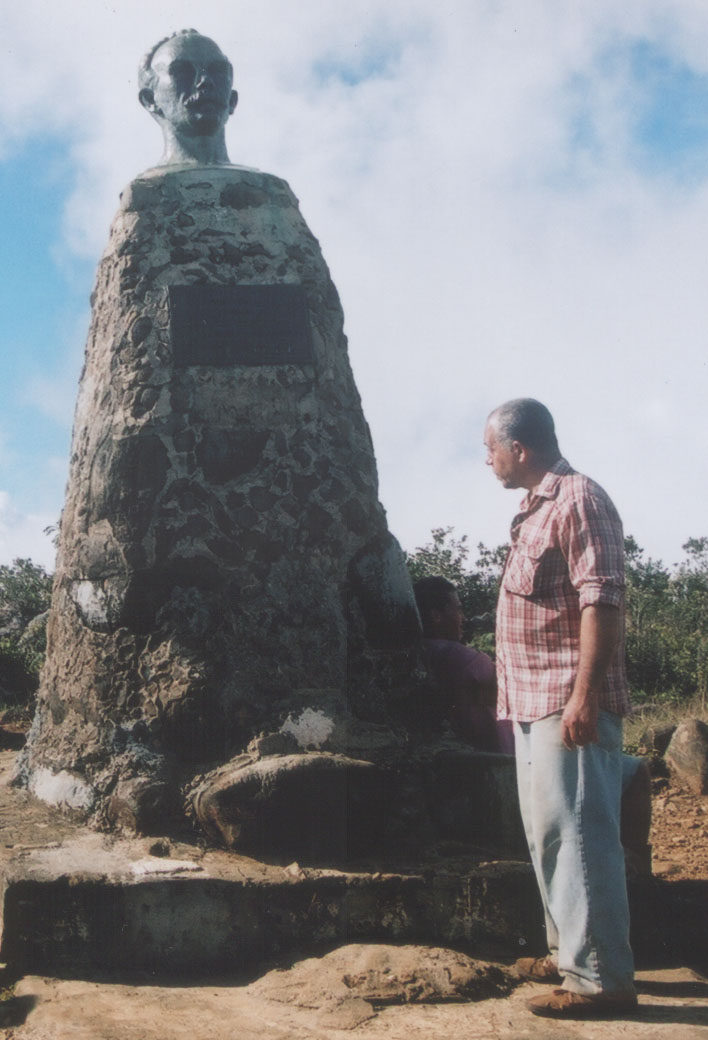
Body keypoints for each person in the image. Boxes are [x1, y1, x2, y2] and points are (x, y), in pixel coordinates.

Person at [484, 398, 637, 1019]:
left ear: (519, 448)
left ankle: (598, 980)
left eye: (490, 448)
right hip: (534, 700)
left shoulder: (578, 499)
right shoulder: (537, 506)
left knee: (578, 835)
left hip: (565, 700)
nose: (487, 460)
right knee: (550, 833)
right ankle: (569, 953)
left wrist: (585, 696)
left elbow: (602, 601)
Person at [413, 576, 514, 752]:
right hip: (487, 755)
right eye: (458, 610)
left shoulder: (422, 651)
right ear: (436, 616)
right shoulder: (461, 658)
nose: (464, 618)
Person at [138, 29, 239, 166]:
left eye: (218, 71)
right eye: (182, 71)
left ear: (232, 100)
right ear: (150, 100)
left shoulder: (266, 186)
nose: (205, 81)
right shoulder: (144, 187)